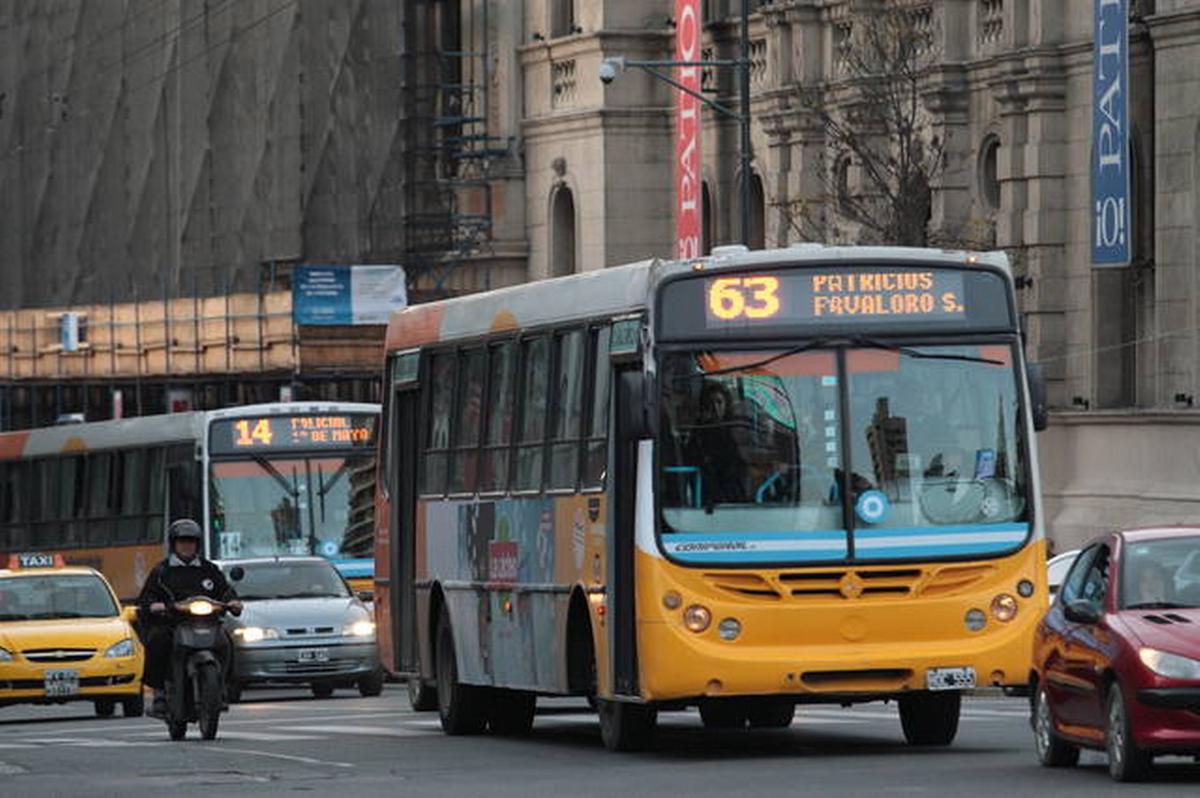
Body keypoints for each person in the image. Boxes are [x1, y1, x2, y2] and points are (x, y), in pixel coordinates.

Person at [137, 518, 241, 719]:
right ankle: (160, 694)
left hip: (207, 623)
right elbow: (147, 597)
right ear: (174, 544)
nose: (187, 545)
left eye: (191, 541)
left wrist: (234, 602)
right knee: (159, 640)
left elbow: (226, 591)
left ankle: (222, 688)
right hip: (174, 624)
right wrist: (154, 605)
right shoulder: (162, 571)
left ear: (198, 544)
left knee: (226, 642)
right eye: (182, 541)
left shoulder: (209, 569)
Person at [686, 381, 747, 506]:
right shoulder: (699, 431)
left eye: (719, 402)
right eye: (711, 403)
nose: (715, 407)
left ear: (726, 404)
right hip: (710, 495)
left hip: (733, 493)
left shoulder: (733, 428)